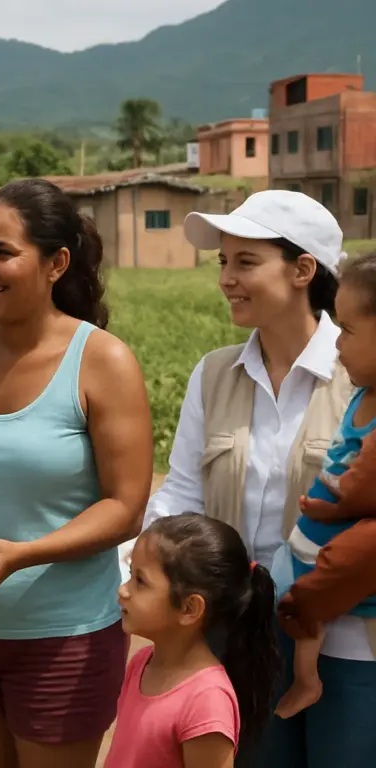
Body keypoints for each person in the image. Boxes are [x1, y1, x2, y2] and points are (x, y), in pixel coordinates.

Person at [0, 178, 154, 768]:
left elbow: (125, 508)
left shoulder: (102, 362)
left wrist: (22, 553)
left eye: (3, 252)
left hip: (62, 637)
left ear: (56, 263)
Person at [135, 189, 376, 768]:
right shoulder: (215, 373)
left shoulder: (363, 375)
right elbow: (184, 491)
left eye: (246, 262)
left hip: (350, 643)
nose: (226, 279)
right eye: (223, 261)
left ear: (302, 270)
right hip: (239, 634)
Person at [273, 252, 376, 719]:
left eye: (348, 332)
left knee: (300, 603)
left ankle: (305, 680)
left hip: (340, 567)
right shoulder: (360, 392)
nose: (337, 346)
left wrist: (329, 507)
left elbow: (362, 488)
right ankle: (305, 676)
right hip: (317, 545)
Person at [103, 514, 281, 768]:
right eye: (131, 575)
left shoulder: (206, 702)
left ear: (189, 608)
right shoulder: (142, 663)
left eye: (140, 581)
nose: (123, 589)